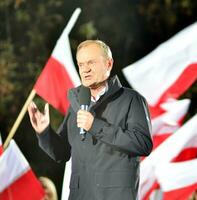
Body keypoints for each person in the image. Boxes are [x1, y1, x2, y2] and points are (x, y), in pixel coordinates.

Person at [28, 40, 152, 200]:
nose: (85, 69)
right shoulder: (77, 105)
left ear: (108, 64)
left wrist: (95, 126)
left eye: (91, 63)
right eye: (80, 64)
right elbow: (62, 153)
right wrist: (44, 132)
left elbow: (143, 144)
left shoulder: (131, 100)